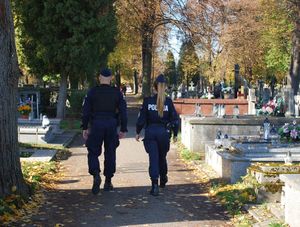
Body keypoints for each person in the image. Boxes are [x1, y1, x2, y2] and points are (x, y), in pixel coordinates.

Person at [82, 68, 128, 195]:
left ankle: (96, 173)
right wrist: (123, 129)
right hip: (111, 125)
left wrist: (85, 127)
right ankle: (108, 181)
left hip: (96, 124)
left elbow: (85, 111)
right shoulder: (116, 93)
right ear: (111, 78)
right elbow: (123, 111)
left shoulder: (92, 92)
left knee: (93, 151)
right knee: (110, 152)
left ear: (99, 78)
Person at [135, 74, 179, 196]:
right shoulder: (169, 103)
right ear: (165, 88)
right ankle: (163, 177)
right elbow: (175, 120)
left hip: (150, 133)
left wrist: (138, 132)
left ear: (154, 87)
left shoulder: (148, 101)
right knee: (162, 157)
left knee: (153, 158)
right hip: (163, 134)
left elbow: (141, 119)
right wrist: (175, 134)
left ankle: (155, 185)